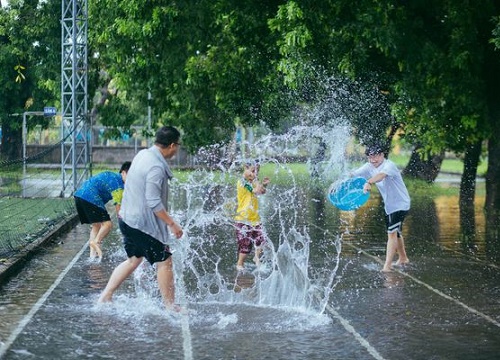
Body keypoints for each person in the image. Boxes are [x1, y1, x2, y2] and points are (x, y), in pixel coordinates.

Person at [98, 126, 183, 311]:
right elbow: (153, 202)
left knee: (134, 259)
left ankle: (105, 296)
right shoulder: (156, 167)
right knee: (165, 261)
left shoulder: (143, 154)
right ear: (171, 145)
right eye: (177, 145)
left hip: (127, 219)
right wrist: (172, 224)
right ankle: (170, 306)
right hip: (141, 225)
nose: (177, 149)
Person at [352, 143, 411, 272]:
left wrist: (369, 182)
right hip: (390, 206)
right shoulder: (369, 166)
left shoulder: (389, 165)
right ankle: (403, 258)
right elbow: (354, 174)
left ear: (382, 155)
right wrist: (339, 184)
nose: (373, 160)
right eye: (370, 156)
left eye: (376, 156)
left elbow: (381, 176)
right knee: (396, 232)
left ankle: (387, 266)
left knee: (391, 233)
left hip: (400, 204)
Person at [74, 161, 131, 259]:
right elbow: (118, 209)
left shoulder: (113, 177)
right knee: (107, 225)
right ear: (123, 173)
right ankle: (96, 242)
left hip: (79, 196)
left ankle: (92, 256)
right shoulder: (118, 184)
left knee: (96, 226)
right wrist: (123, 227)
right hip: (90, 197)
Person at [234, 161, 270, 271]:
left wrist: (264, 184)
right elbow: (255, 191)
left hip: (255, 219)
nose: (254, 174)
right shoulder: (242, 182)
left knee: (261, 239)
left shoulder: (254, 182)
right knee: (245, 245)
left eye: (256, 172)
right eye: (252, 171)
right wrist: (259, 186)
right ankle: (240, 264)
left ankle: (256, 258)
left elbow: (261, 192)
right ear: (245, 168)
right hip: (243, 220)